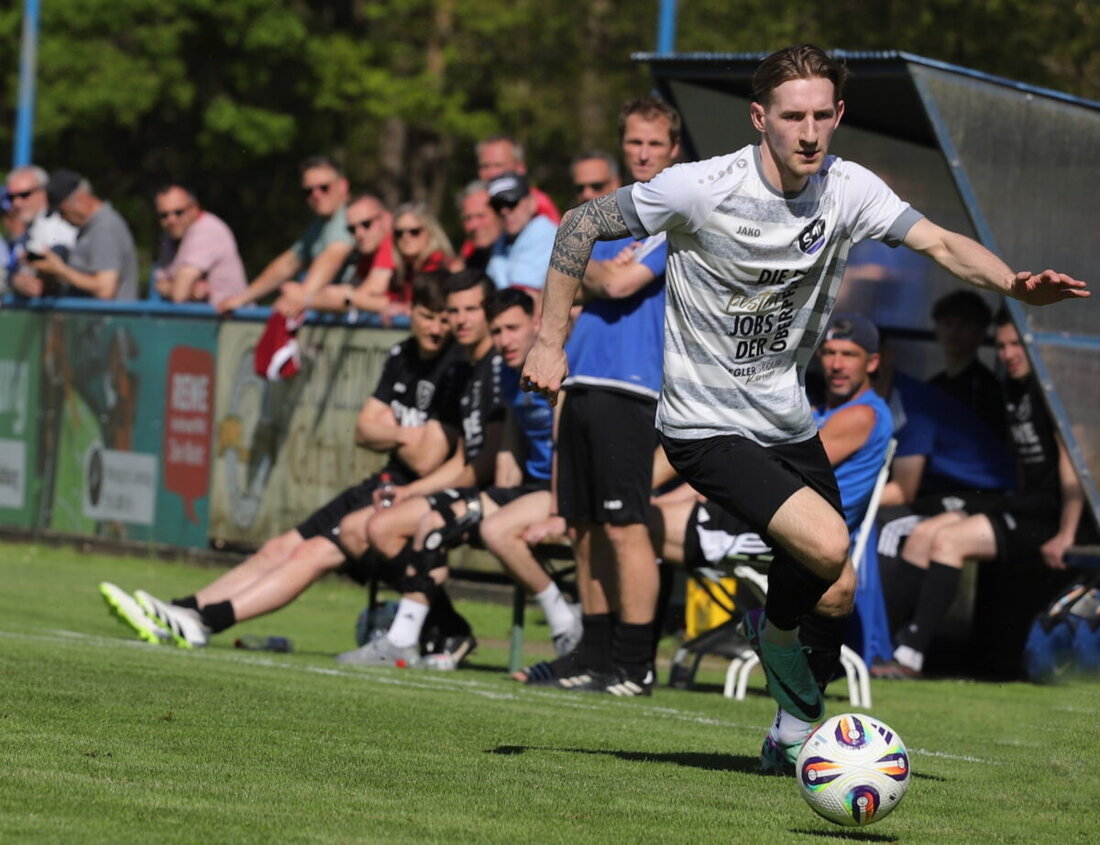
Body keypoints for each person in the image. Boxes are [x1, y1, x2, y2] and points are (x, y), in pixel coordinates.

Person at [521, 45, 1087, 765]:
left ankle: (788, 737)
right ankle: (775, 635)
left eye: (823, 115)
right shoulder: (701, 186)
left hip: (786, 420)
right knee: (823, 547)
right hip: (705, 422)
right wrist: (550, 338)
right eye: (793, 116)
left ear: (839, 115)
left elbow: (939, 242)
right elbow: (579, 224)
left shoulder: (848, 188)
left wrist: (1012, 282)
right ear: (761, 118)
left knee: (839, 588)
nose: (810, 132)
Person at [99, 273, 462, 648]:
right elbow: (361, 431)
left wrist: (386, 427)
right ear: (410, 312)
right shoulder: (402, 355)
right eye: (427, 316)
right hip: (385, 480)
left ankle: (206, 622)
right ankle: (184, 610)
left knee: (312, 553)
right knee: (278, 547)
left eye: (443, 318)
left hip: (414, 493)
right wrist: (405, 433)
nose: (436, 327)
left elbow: (426, 458)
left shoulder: (455, 366)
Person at [651, 312, 892, 772]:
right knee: (636, 516)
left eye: (850, 355)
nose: (837, 364)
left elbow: (776, 471)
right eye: (831, 353)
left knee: (639, 524)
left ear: (873, 362)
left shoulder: (863, 414)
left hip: (789, 530)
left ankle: (627, 657)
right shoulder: (812, 409)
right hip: (773, 521)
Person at [520, 96, 681, 697]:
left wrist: (577, 256)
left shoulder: (671, 215)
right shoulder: (610, 216)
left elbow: (615, 281)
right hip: (581, 379)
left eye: (654, 144)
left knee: (624, 526)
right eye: (634, 143)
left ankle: (635, 663)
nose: (643, 153)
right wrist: (581, 256)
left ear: (674, 151)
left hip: (630, 387)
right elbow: (583, 274)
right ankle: (591, 653)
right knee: (582, 525)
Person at [873, 309, 1098, 679]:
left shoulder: (1052, 390)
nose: (1009, 353)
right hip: (1024, 506)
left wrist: (1067, 534)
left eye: (1018, 345)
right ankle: (885, 647)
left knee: (949, 541)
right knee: (922, 534)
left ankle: (911, 656)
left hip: (1055, 518)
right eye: (1003, 345)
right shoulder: (1011, 387)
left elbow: (1074, 466)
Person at [333, 271, 506, 667]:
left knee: (387, 526)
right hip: (471, 487)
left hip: (502, 493)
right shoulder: (469, 369)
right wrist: (410, 492)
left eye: (470, 310)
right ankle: (438, 631)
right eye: (452, 311)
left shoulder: (497, 367)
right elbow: (465, 459)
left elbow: (484, 465)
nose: (459, 320)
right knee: (366, 528)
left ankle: (413, 636)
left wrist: (417, 493)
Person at [218, 155, 355, 315]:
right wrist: (243, 298)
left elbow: (333, 256)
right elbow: (289, 262)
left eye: (324, 187)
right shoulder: (320, 223)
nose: (316, 195)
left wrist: (302, 296)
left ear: (343, 186)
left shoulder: (351, 215)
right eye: (308, 191)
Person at [25, 170, 138, 300]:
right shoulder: (91, 228)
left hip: (112, 320)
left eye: (62, 211)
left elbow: (105, 290)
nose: (61, 218)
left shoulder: (104, 228)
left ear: (80, 199)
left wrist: (61, 269)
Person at [152, 184, 247, 308]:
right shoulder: (170, 235)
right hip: (201, 320)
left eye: (178, 212)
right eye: (164, 215)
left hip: (234, 319)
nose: (171, 220)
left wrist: (176, 289)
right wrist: (186, 290)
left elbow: (179, 294)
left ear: (194, 208)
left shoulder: (207, 230)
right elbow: (159, 284)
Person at [926, 289, 1003, 436]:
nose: (954, 332)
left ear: (981, 332)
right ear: (936, 328)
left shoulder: (988, 390)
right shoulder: (933, 386)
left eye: (964, 324)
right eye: (948, 323)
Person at [4, 165, 77, 299]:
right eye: (11, 197)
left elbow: (58, 259)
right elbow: (12, 270)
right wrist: (16, 280)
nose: (16, 203)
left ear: (43, 192)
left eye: (24, 195)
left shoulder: (58, 223)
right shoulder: (29, 229)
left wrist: (27, 258)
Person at [484, 173, 557, 293]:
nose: (504, 211)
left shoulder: (543, 233)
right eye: (497, 206)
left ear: (531, 203)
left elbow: (521, 296)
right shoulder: (502, 240)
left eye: (512, 203)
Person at [388, 201, 454, 316]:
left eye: (414, 232)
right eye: (399, 233)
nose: (406, 237)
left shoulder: (441, 266)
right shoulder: (403, 271)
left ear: (431, 231)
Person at [476, 135, 560, 223]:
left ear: (520, 167)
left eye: (498, 165)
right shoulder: (476, 205)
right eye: (484, 166)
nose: (491, 173)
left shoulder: (539, 207)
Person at [450, 181, 503, 274]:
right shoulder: (469, 263)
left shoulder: (524, 252)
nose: (473, 225)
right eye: (467, 218)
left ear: (499, 214)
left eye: (481, 216)